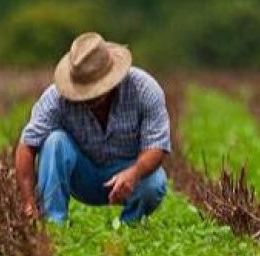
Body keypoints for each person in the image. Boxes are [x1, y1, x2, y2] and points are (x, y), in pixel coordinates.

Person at [15, 32, 170, 224]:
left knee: (154, 183)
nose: (90, 98)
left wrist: (133, 173)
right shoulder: (56, 98)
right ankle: (54, 225)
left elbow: (157, 147)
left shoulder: (145, 89)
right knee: (55, 141)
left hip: (128, 172)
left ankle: (130, 228)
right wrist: (29, 203)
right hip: (83, 176)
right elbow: (27, 146)